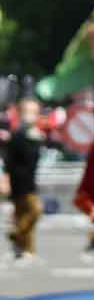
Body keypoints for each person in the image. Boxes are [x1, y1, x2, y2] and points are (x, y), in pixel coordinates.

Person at [4, 95, 43, 263]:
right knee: (35, 211)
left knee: (24, 216)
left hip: (29, 182)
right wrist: (5, 181)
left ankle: (26, 248)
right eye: (27, 111)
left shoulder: (34, 134)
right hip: (19, 183)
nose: (31, 115)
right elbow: (9, 161)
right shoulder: (18, 135)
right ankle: (17, 235)